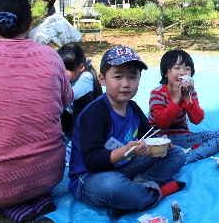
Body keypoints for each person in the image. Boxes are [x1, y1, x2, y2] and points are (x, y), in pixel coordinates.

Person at [0, 0, 74, 223]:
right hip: (48, 175)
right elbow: (65, 102)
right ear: (30, 23)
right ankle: (31, 198)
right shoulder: (51, 57)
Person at [68, 46, 186, 219]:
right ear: (102, 79)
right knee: (112, 186)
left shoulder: (133, 108)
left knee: (176, 153)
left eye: (132, 77)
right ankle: (156, 192)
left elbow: (149, 134)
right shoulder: (94, 114)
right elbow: (92, 161)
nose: (125, 83)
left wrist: (161, 143)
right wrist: (127, 151)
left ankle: (132, 195)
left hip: (125, 166)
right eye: (118, 76)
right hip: (90, 177)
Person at [148, 50, 219, 164]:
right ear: (165, 72)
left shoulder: (190, 92)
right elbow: (162, 123)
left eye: (187, 68)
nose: (182, 72)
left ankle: (186, 158)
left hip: (182, 138)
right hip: (159, 139)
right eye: (177, 68)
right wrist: (176, 99)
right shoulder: (157, 93)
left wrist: (187, 96)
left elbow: (197, 119)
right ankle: (178, 155)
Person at [57, 43, 103, 140]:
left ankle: (74, 142)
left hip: (87, 125)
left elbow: (71, 95)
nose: (59, 74)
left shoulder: (87, 77)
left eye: (64, 71)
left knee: (79, 99)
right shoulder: (71, 75)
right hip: (70, 119)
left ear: (81, 67)